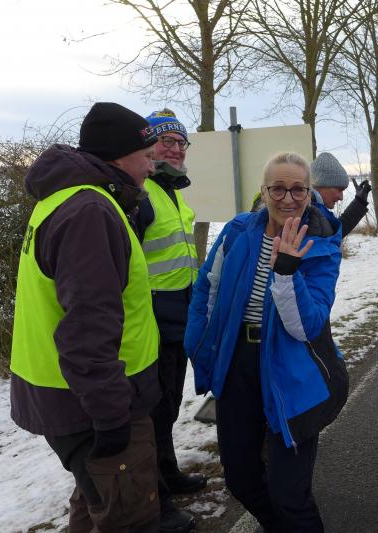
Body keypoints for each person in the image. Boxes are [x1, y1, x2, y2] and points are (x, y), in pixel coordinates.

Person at [10, 102, 163, 532]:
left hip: (76, 393)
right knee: (128, 518)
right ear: (119, 157)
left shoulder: (66, 200)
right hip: (96, 400)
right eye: (146, 156)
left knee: (96, 503)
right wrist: (111, 414)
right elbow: (87, 328)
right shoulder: (90, 212)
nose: (151, 167)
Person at [185, 152, 348, 532]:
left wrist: (287, 272)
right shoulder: (238, 231)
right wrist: (198, 345)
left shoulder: (322, 241)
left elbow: (305, 327)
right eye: (278, 188)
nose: (288, 198)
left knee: (289, 495)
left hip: (292, 369)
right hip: (238, 363)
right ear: (264, 191)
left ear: (309, 193)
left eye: (298, 189)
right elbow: (207, 288)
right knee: (240, 479)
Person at [134, 109, 205, 532]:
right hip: (151, 323)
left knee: (169, 407)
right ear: (149, 147)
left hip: (179, 319)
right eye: (167, 142)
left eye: (181, 142)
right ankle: (155, 500)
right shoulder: (142, 194)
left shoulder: (172, 191)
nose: (176, 149)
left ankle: (169, 473)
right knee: (152, 415)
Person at [310, 152, 372, 237]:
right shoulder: (306, 214)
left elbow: (334, 234)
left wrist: (359, 202)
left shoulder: (316, 211)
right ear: (321, 184)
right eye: (339, 189)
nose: (341, 197)